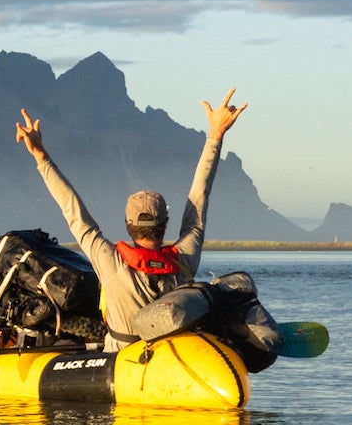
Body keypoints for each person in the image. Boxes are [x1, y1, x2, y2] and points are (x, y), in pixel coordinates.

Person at [15, 90, 247, 348]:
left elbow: (72, 209)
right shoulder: (185, 261)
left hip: (118, 365)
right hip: (168, 363)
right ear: (165, 224)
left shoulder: (108, 261)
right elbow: (199, 197)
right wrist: (215, 135)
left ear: (128, 226)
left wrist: (40, 156)